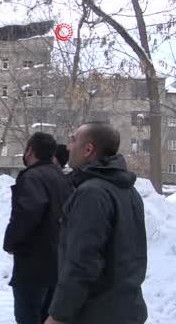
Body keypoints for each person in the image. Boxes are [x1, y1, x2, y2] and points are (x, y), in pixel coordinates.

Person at [45, 122, 148, 324]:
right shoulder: (128, 191)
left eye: (73, 139)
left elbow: (82, 262)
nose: (68, 146)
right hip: (127, 310)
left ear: (88, 149)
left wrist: (58, 315)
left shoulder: (92, 194)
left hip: (95, 314)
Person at [3, 132, 73, 324]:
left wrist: (10, 242)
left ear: (30, 150)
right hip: (56, 265)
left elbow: (26, 215)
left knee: (28, 317)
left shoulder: (32, 177)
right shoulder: (61, 178)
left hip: (33, 267)